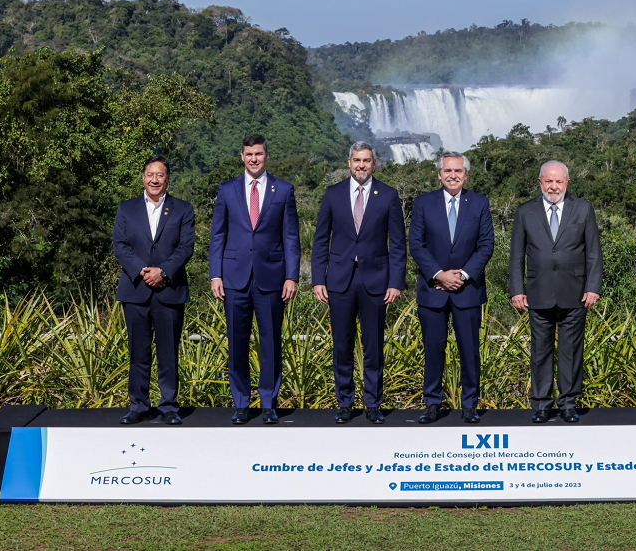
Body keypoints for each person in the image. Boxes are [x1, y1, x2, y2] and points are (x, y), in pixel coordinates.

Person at [312, 142, 407, 425]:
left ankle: (373, 403)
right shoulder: (333, 194)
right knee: (342, 345)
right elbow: (320, 241)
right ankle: (344, 403)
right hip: (339, 281)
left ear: (374, 164)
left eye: (366, 160)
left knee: (374, 345)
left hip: (376, 281)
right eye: (356, 160)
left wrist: (396, 282)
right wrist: (319, 279)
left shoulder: (388, 195)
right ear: (349, 162)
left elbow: (398, 245)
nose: (361, 165)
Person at [210, 134, 300, 425]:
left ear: (266, 155)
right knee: (237, 342)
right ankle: (241, 403)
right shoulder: (227, 190)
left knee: (271, 342)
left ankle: (269, 403)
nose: (253, 159)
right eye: (249, 154)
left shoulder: (283, 190)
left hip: (272, 278)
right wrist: (215, 274)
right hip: (234, 278)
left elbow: (290, 237)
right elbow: (218, 236)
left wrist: (291, 275)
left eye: (258, 154)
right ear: (242, 156)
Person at [509, 161, 603, 423]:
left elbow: (594, 252)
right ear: (540, 182)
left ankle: (569, 404)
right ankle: (541, 405)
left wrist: (593, 287)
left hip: (575, 294)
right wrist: (517, 289)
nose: (553, 186)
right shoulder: (524, 212)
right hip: (537, 293)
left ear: (567, 183)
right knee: (540, 352)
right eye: (548, 181)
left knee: (571, 351)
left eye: (558, 181)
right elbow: (516, 255)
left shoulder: (583, 209)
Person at [408, 152, 494, 424]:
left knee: (470, 351)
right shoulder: (423, 203)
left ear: (466, 175)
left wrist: (464, 275)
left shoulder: (480, 203)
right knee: (433, 350)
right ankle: (432, 404)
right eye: (447, 171)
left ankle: (470, 405)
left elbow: (486, 245)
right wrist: (439, 275)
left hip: (467, 291)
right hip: (433, 290)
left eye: (458, 171)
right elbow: (416, 245)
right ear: (439, 175)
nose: (453, 175)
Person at [113, 156, 195, 425]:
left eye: (160, 175)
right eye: (150, 174)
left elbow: (185, 248)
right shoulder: (126, 209)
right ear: (143, 177)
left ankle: (168, 406)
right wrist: (143, 271)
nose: (155, 179)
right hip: (136, 289)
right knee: (138, 352)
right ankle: (138, 405)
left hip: (169, 290)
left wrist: (163, 272)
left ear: (167, 178)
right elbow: (120, 246)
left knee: (169, 353)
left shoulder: (183, 209)